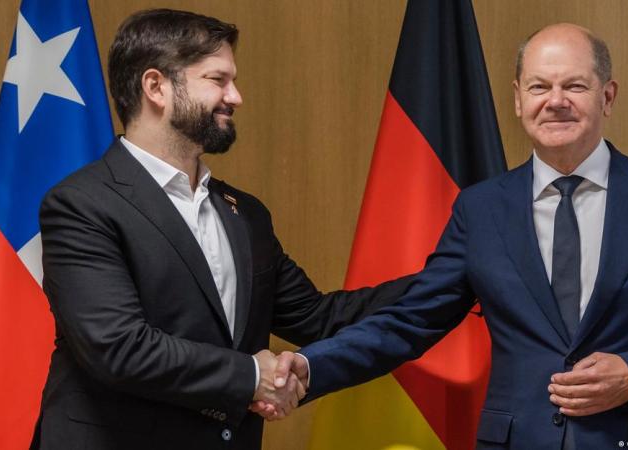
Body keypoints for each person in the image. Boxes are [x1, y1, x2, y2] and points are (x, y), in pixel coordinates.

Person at [270, 23, 628, 449]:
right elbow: (408, 321)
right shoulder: (481, 209)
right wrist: (311, 366)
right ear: (518, 98)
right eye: (540, 86)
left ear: (607, 96)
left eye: (574, 85)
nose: (555, 100)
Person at [31, 8, 412, 450]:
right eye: (217, 79)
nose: (236, 96)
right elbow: (119, 348)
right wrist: (253, 376)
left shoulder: (245, 214)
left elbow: (321, 318)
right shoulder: (80, 204)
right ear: (156, 87)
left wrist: (452, 278)